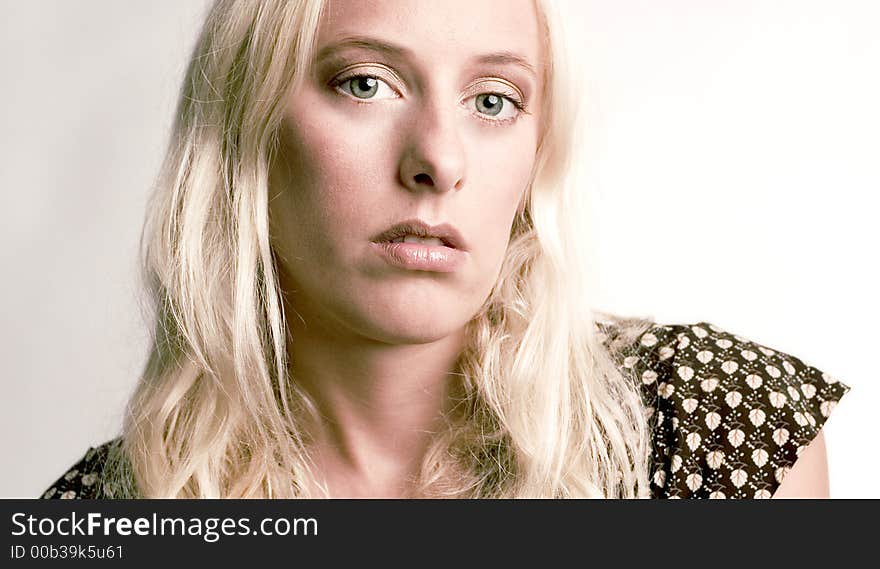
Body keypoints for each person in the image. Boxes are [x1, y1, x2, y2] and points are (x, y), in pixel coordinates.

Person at [41, 0, 849, 499]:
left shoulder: (711, 429)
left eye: (493, 101)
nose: (439, 158)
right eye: (366, 83)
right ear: (248, 128)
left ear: (537, 155)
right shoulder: (98, 519)